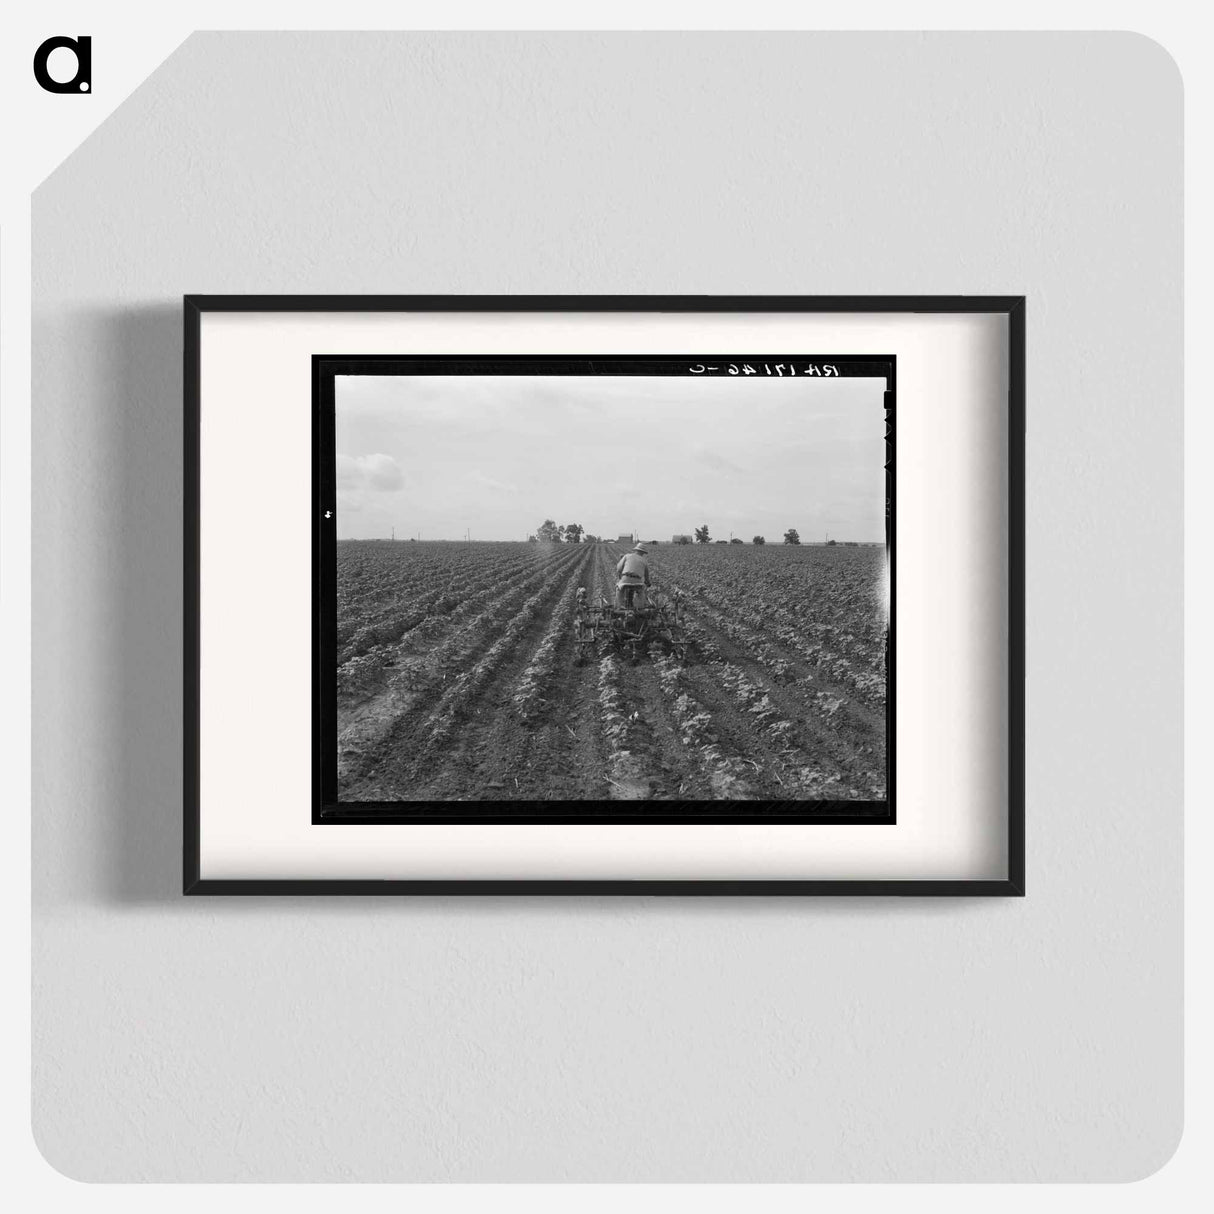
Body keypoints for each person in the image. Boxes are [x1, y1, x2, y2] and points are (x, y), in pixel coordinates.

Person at [616, 543, 651, 610]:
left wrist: (621, 574)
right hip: (638, 582)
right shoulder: (644, 561)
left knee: (619, 590)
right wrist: (647, 582)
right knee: (641, 592)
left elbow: (619, 568)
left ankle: (619, 607)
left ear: (635, 550)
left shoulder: (626, 556)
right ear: (643, 553)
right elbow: (646, 575)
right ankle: (640, 608)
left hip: (626, 579)